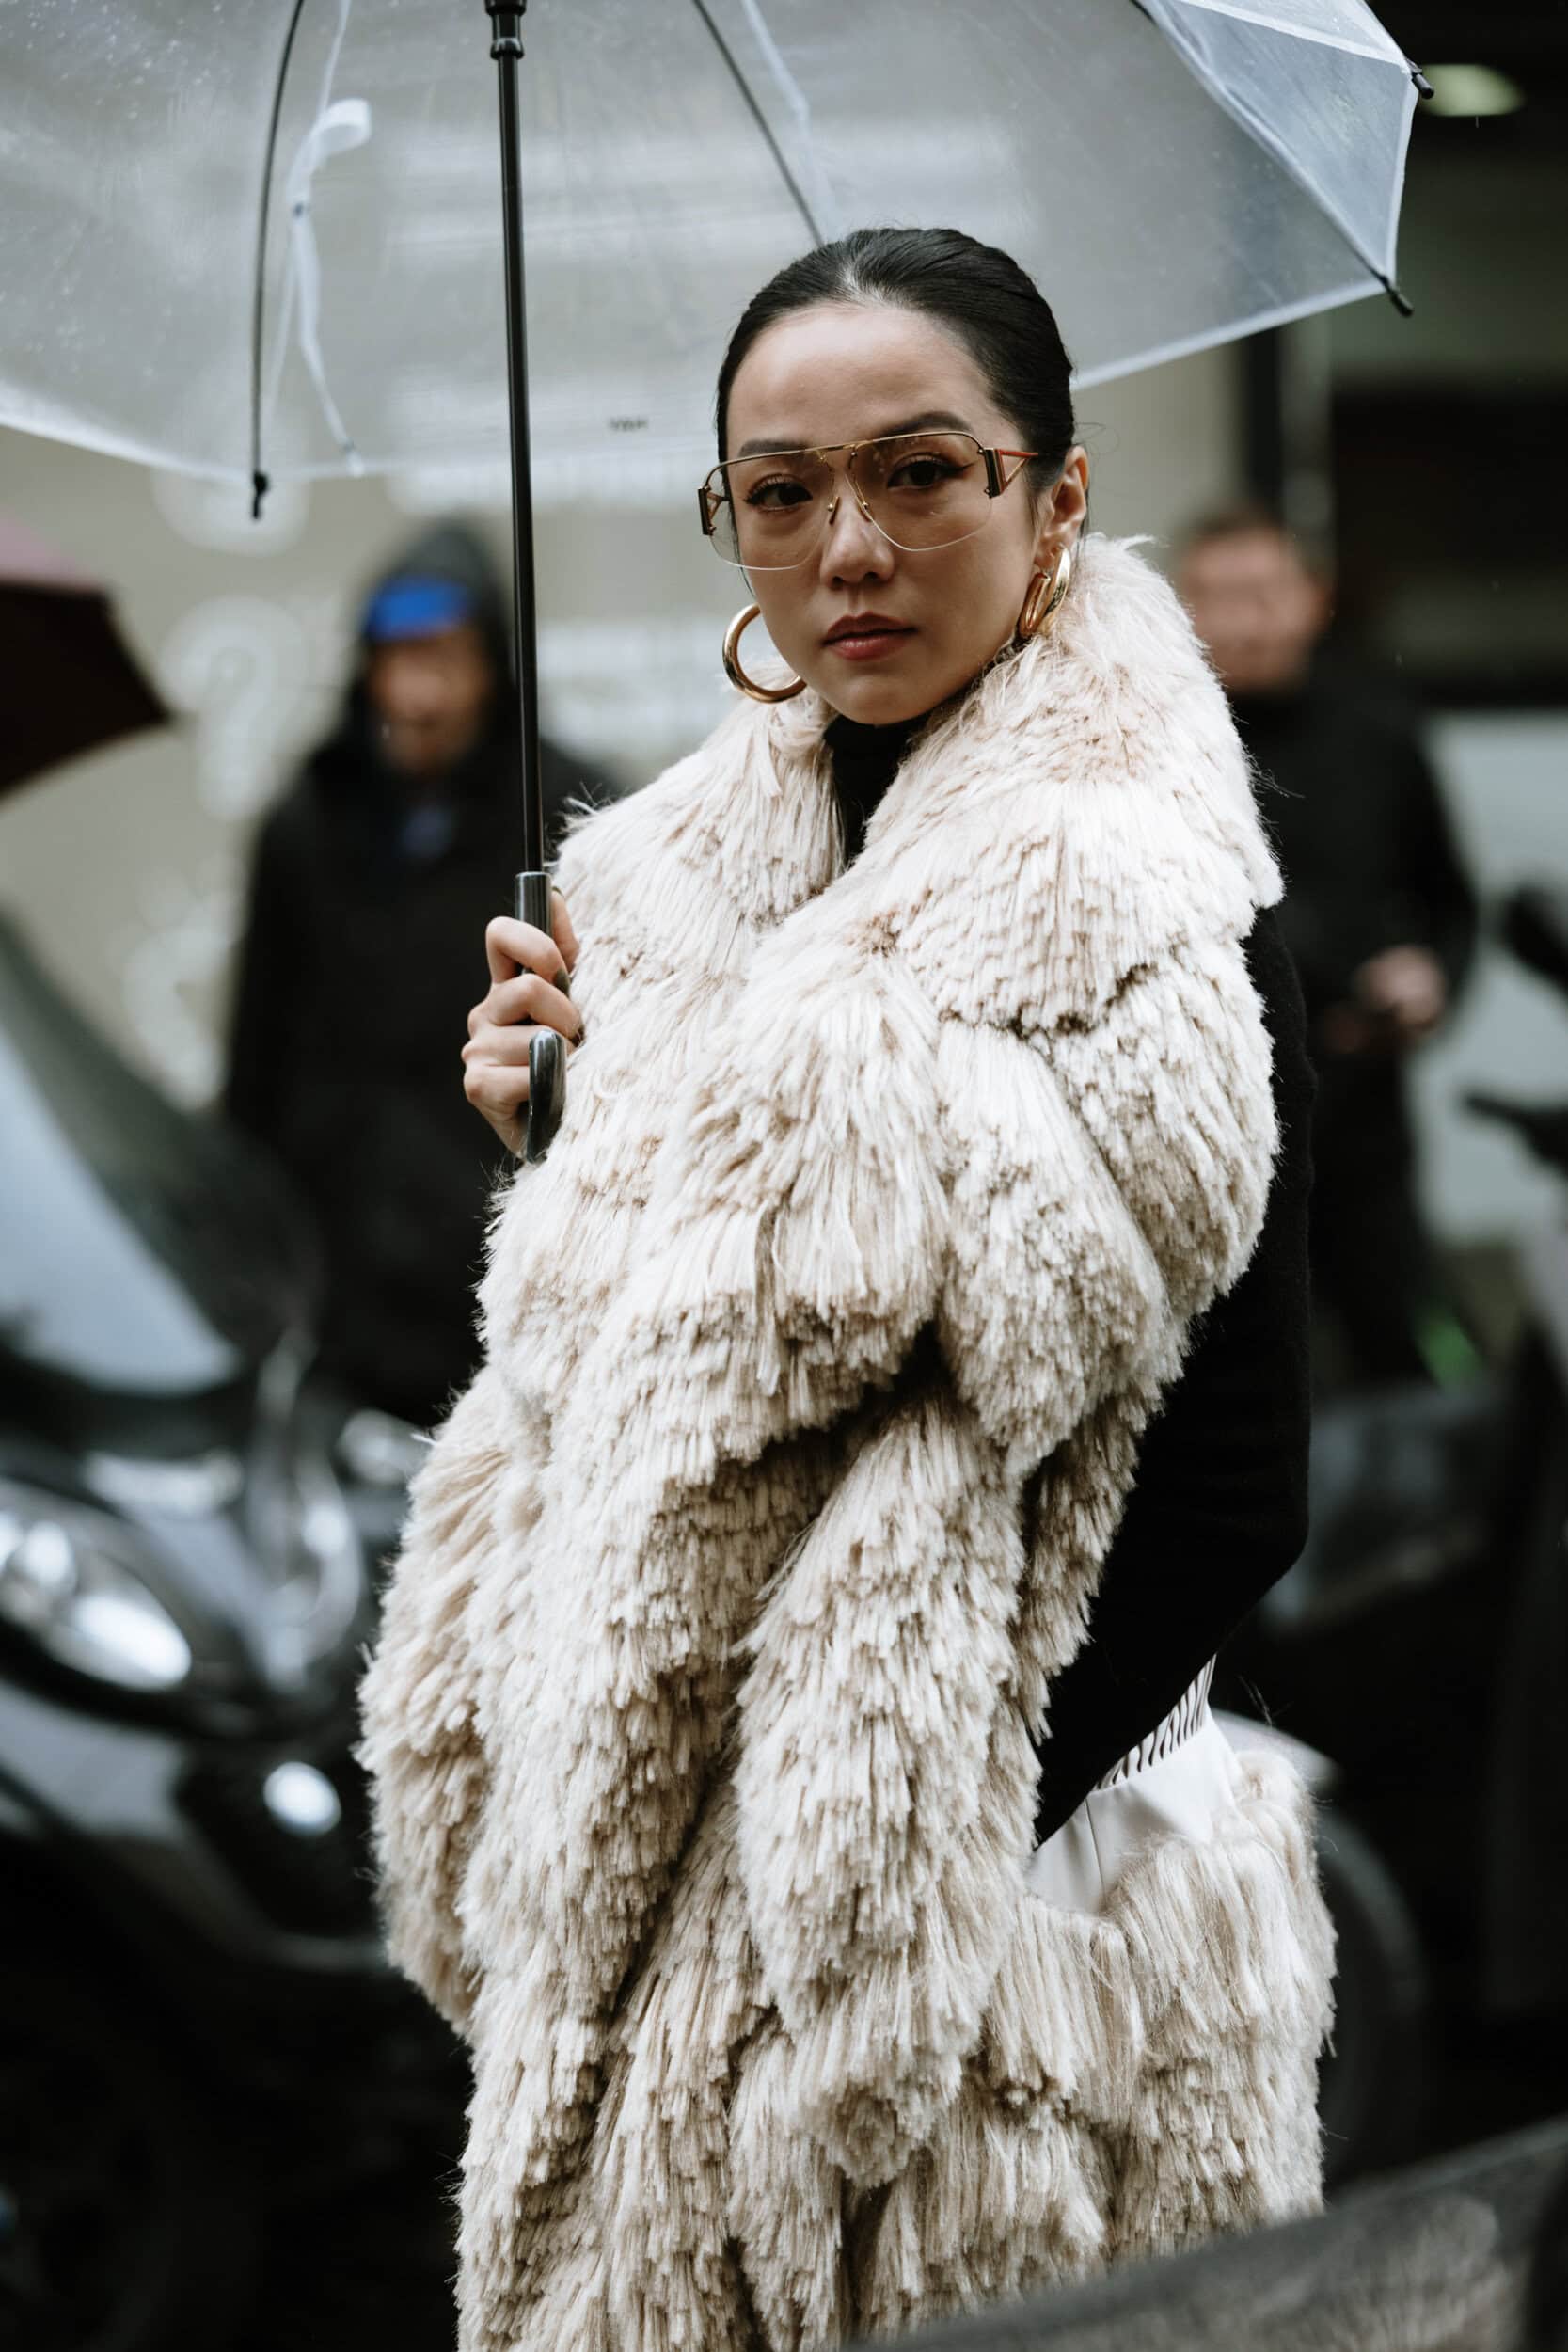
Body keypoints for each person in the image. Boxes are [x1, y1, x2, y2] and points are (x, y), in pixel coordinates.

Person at [361, 230, 1333, 2351]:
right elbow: (663, 1376)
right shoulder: (667, 888)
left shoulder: (1147, 902)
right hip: (682, 1892)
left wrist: (871, 1857)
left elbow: (1240, 1479)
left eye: (919, 472)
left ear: (1051, 495)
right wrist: (573, 1138)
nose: (846, 548)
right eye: (780, 490)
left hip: (1009, 1910)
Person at [225, 520, 611, 1429]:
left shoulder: (571, 819)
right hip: (332, 1299)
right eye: (396, 659)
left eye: (445, 659)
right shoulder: (306, 826)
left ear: (494, 670)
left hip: (496, 1282)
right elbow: (254, 1064)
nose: (418, 694)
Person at [1178, 507, 1479, 1387]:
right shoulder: (1160, 740)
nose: (1245, 619)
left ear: (1313, 598)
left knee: (1417, 1351)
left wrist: (1431, 980)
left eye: (1266, 592)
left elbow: (1450, 903)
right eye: (1219, 597)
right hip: (1222, 1117)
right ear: (1185, 611)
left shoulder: (1377, 727)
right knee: (1244, 1379)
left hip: (1362, 1107)